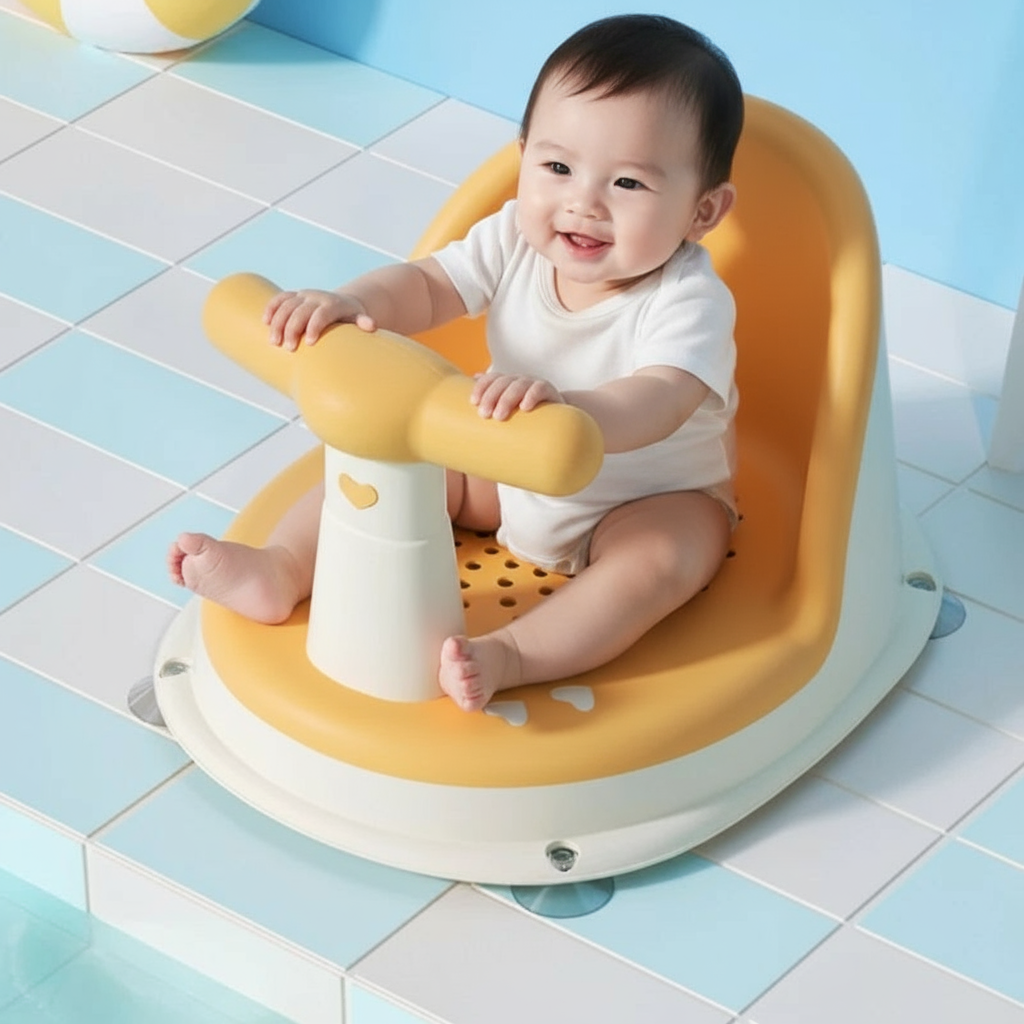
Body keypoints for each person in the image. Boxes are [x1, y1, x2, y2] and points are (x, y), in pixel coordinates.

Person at [169, 14, 744, 713]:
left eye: (627, 185)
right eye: (557, 167)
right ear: (524, 154)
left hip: (641, 498)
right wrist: (348, 303)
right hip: (508, 471)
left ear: (702, 211)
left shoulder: (689, 298)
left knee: (663, 559)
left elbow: (659, 398)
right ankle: (281, 570)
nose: (583, 204)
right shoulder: (515, 237)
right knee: (396, 467)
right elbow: (429, 284)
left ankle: (517, 652)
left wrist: (567, 410)